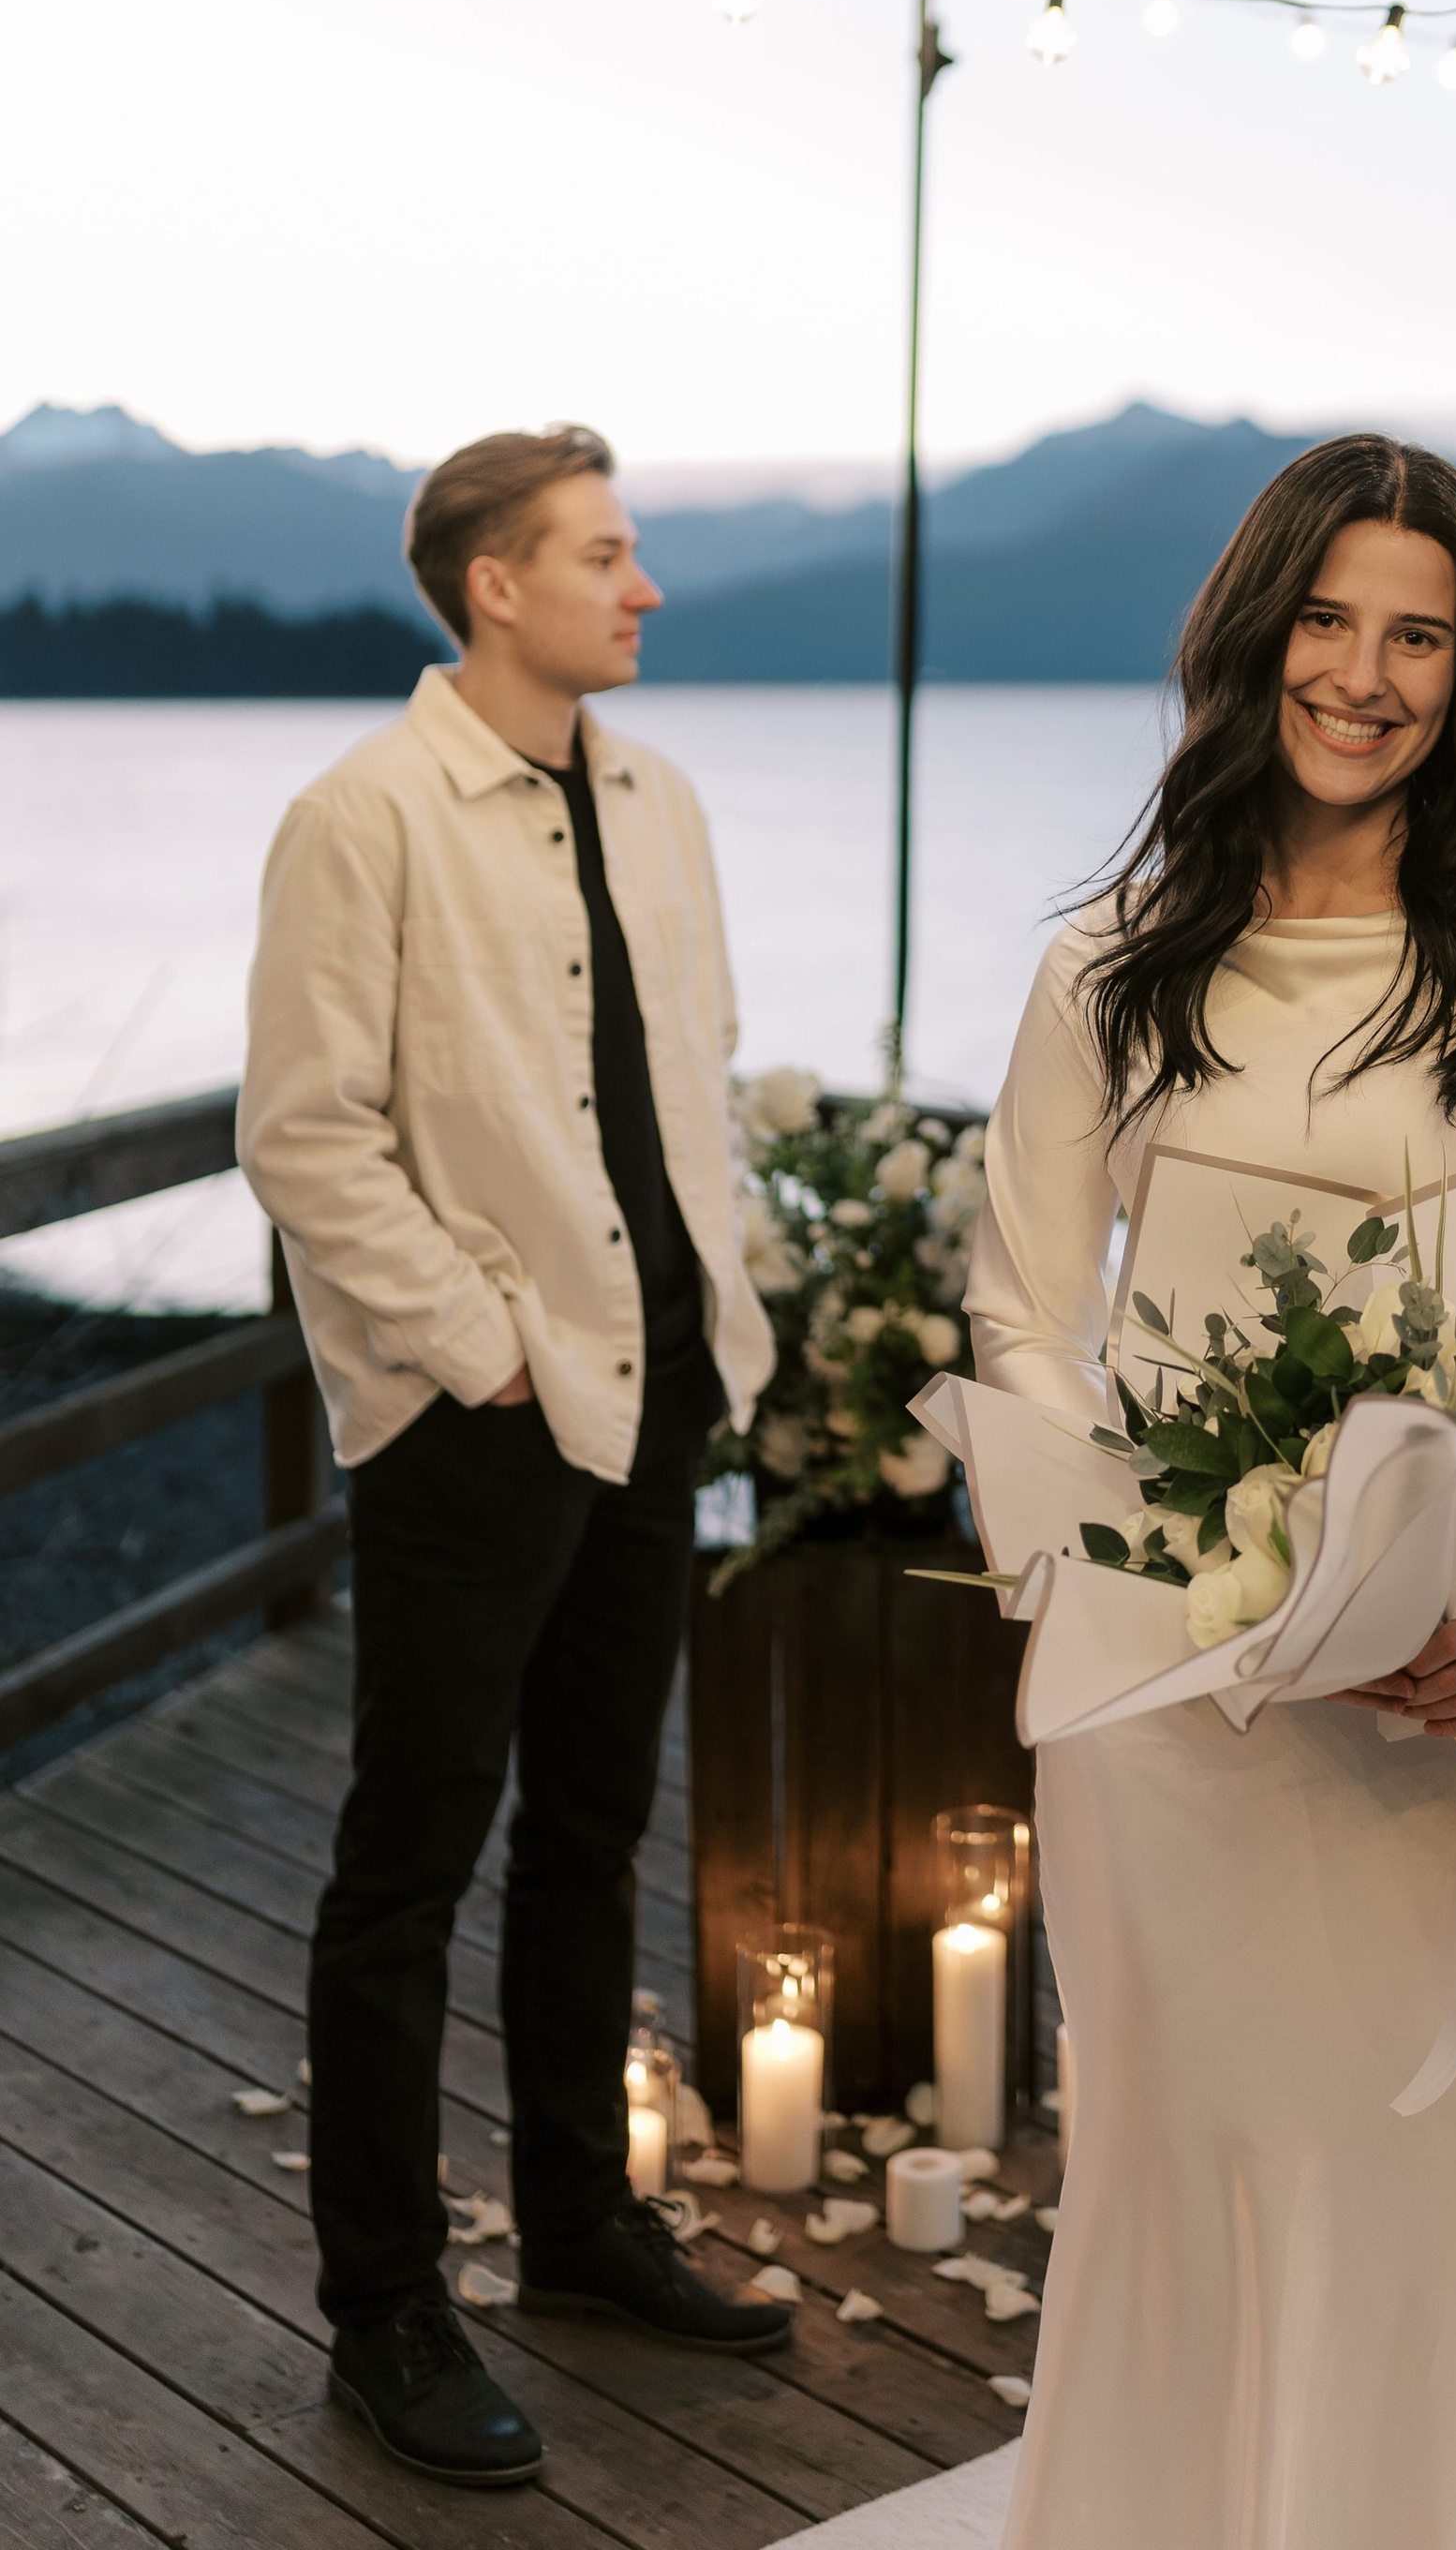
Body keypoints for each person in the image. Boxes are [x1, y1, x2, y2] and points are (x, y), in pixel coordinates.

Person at [967, 434, 1456, 2549]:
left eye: (1418, 637)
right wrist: (1155, 1585)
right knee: (1187, 2186)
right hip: (1184, 1726)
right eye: (1325, 619)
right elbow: (1025, 1320)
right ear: (1250, 634)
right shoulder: (1111, 962)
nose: (1364, 677)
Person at [240, 424, 789, 2489]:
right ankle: (385, 2307)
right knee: (407, 1865)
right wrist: (476, 1348)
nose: (642, 590)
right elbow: (306, 1137)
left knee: (593, 1830)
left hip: (656, 1390)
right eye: (604, 555)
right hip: (479, 1415)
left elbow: (692, 1086)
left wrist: (723, 1320)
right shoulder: (360, 816)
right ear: (494, 582)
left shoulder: (664, 803)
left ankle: (577, 2226)